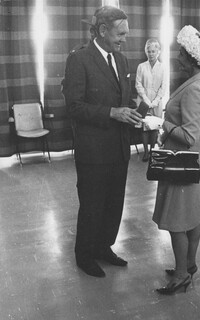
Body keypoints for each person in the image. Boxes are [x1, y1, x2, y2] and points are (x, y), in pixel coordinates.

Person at [62, 6, 143, 277]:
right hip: (93, 152)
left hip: (119, 148)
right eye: (121, 33)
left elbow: (125, 99)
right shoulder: (79, 59)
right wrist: (111, 112)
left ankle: (103, 247)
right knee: (93, 205)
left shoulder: (121, 60)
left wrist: (134, 113)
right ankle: (84, 255)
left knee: (113, 204)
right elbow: (73, 106)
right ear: (103, 30)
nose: (125, 39)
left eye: (126, 33)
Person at [152, 25, 200, 295]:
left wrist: (164, 124)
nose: (178, 57)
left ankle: (181, 275)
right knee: (191, 218)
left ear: (192, 59)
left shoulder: (194, 89)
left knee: (178, 222)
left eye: (181, 54)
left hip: (183, 165)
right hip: (195, 166)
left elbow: (189, 135)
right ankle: (189, 264)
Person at [135, 38, 167, 161]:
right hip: (143, 100)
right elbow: (138, 84)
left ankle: (153, 150)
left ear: (158, 52)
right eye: (149, 51)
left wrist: (156, 101)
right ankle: (146, 152)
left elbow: (163, 86)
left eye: (153, 51)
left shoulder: (163, 67)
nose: (151, 54)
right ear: (146, 52)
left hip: (157, 102)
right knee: (144, 126)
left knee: (154, 126)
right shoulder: (141, 66)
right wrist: (146, 99)